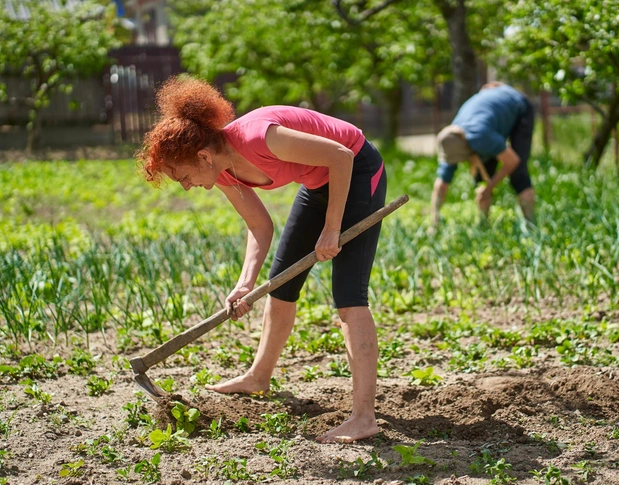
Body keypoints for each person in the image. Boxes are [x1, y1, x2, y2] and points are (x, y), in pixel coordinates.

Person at [138, 76, 387, 443]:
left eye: (184, 177)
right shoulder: (221, 171)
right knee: (282, 285)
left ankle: (364, 417)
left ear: (203, 156)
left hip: (357, 170)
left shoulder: (259, 137)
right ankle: (259, 376)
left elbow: (341, 156)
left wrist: (332, 229)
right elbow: (259, 225)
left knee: (349, 297)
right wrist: (245, 282)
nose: (188, 186)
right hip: (319, 183)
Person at [431, 82, 536, 225]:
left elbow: (513, 161)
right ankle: (484, 226)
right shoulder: (451, 140)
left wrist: (489, 188)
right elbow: (441, 184)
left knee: (518, 174)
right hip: (493, 114)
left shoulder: (479, 136)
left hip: (518, 105)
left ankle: (531, 226)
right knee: (482, 176)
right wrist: (434, 222)